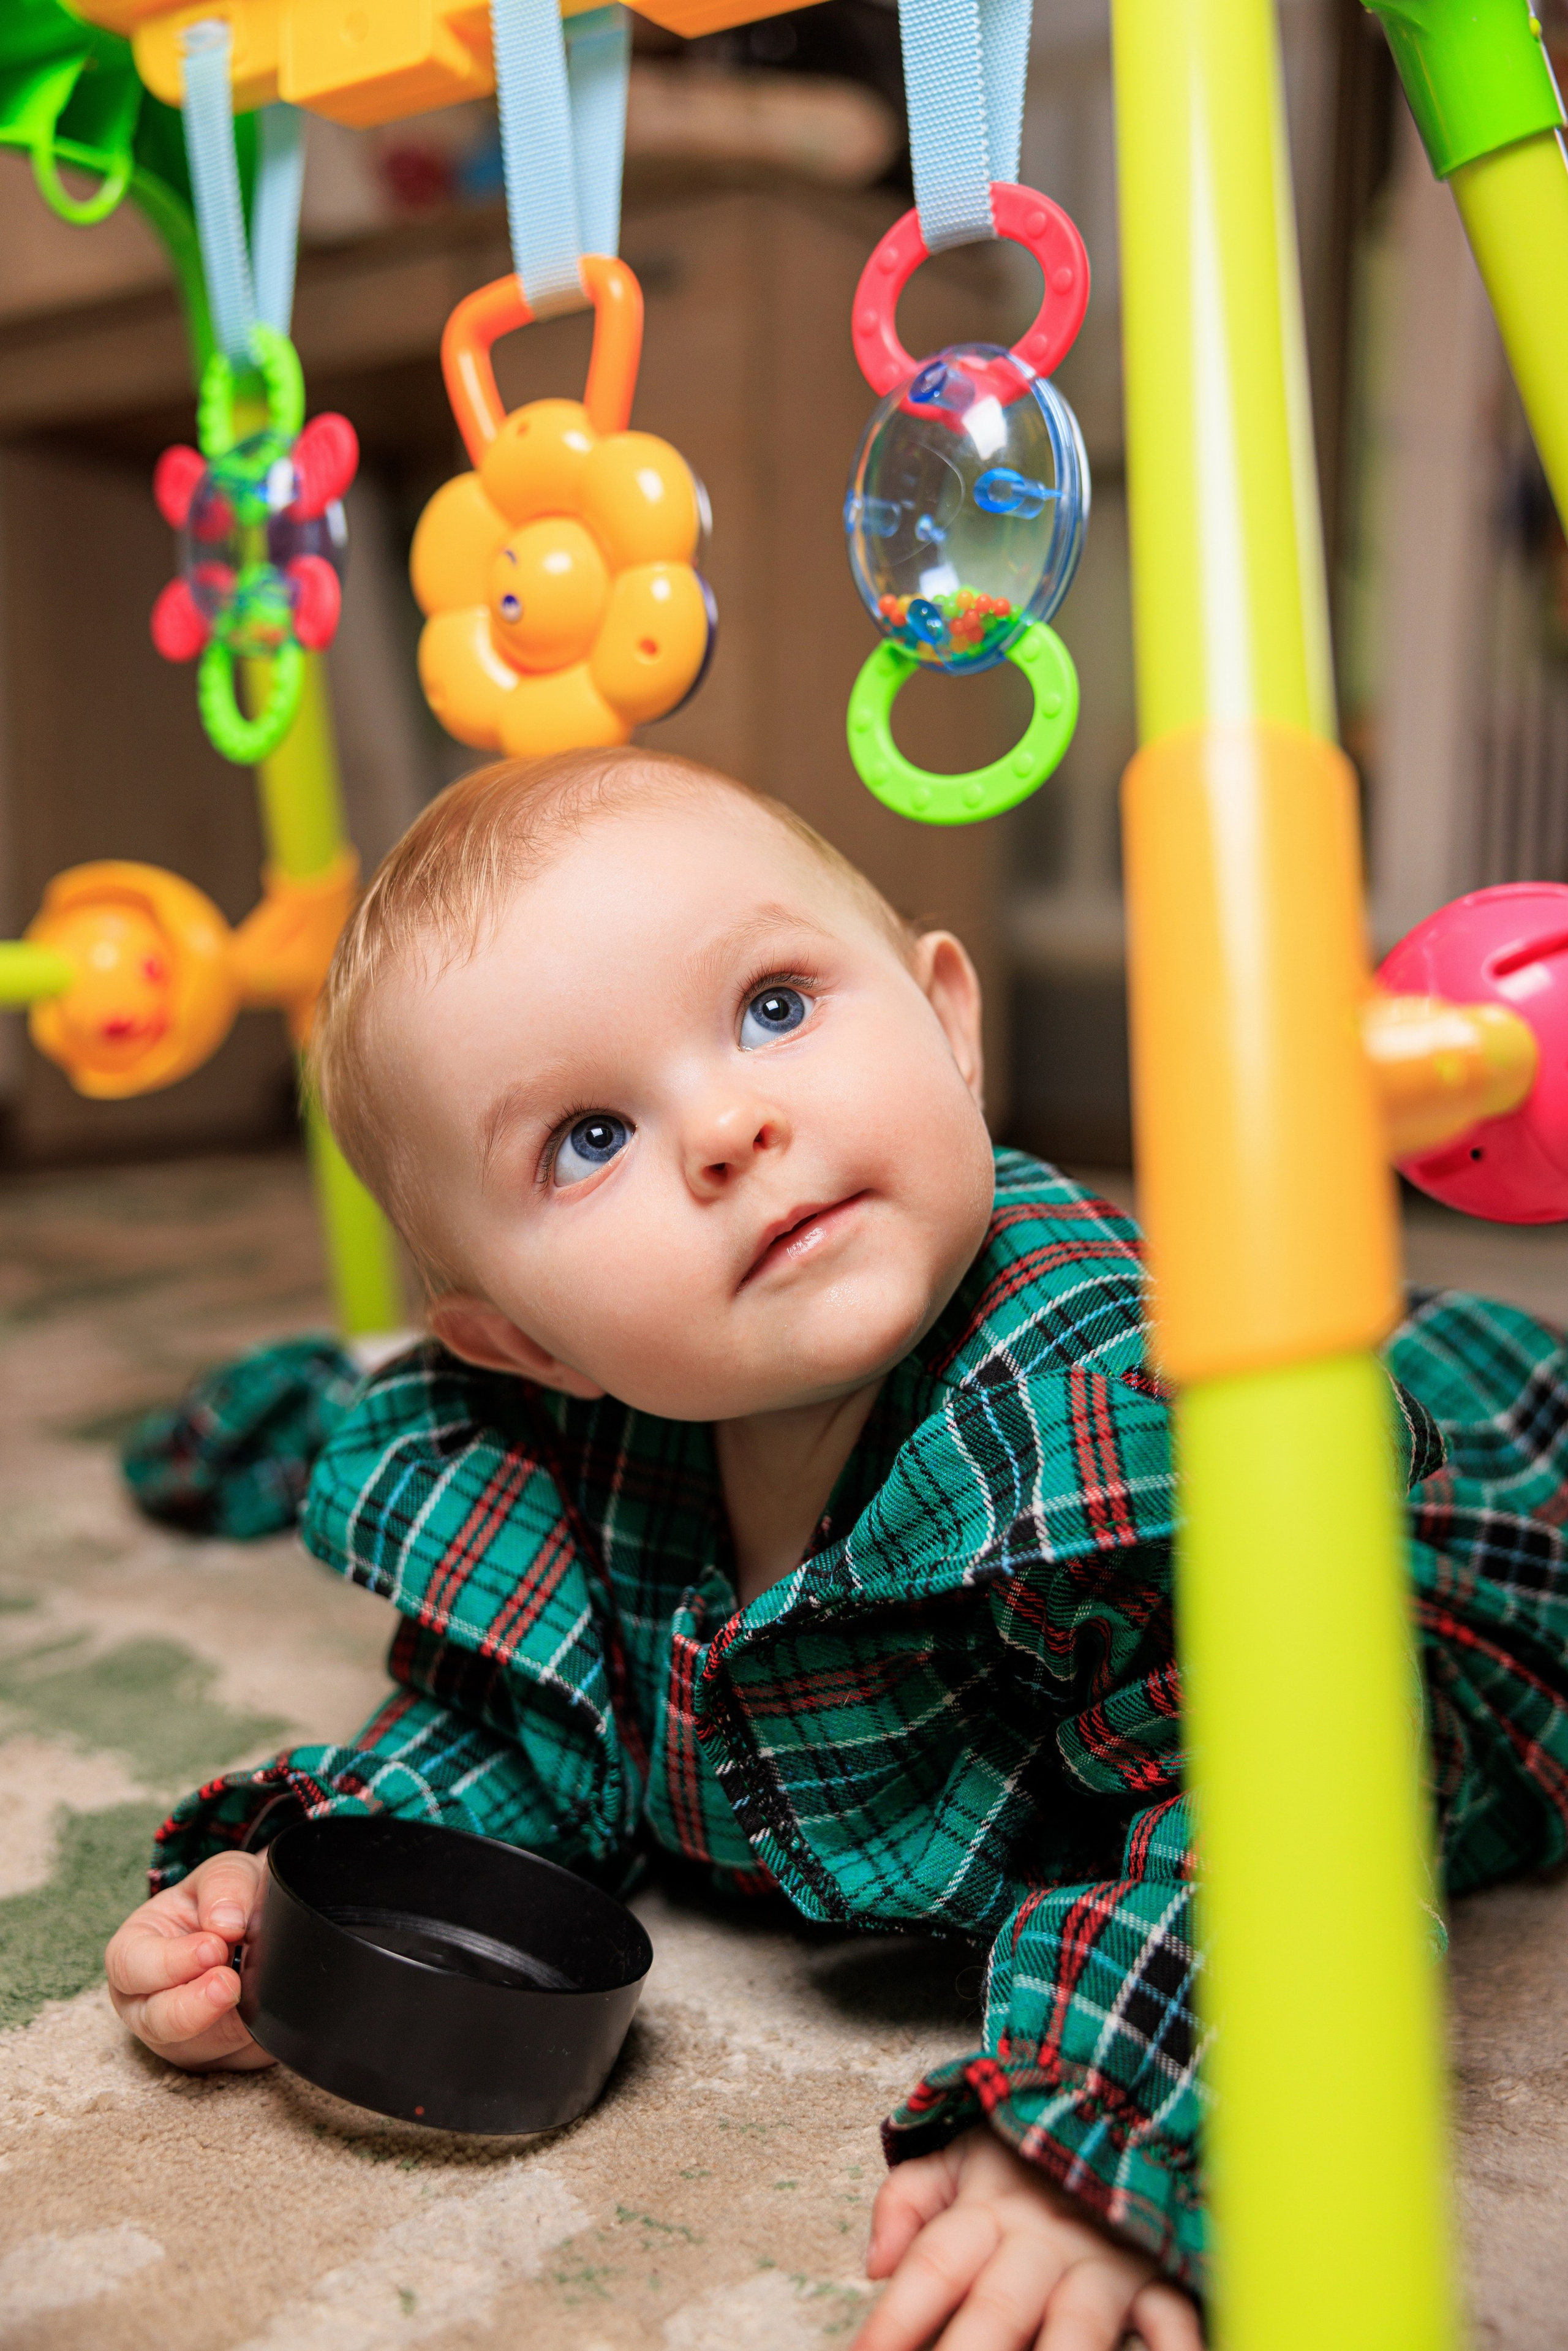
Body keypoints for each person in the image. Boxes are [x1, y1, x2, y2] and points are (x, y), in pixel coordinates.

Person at [104, 749, 1568, 2351]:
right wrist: (309, 1877)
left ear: (950, 1018)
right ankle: (272, 1408)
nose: (731, 1124)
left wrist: (1095, 2141)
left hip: (1481, 1526)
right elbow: (516, 1728)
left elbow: (1292, 1823)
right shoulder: (580, 1456)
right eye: (590, 1137)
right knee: (346, 1430)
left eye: (776, 1008)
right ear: (526, 1339)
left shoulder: (1113, 1436)